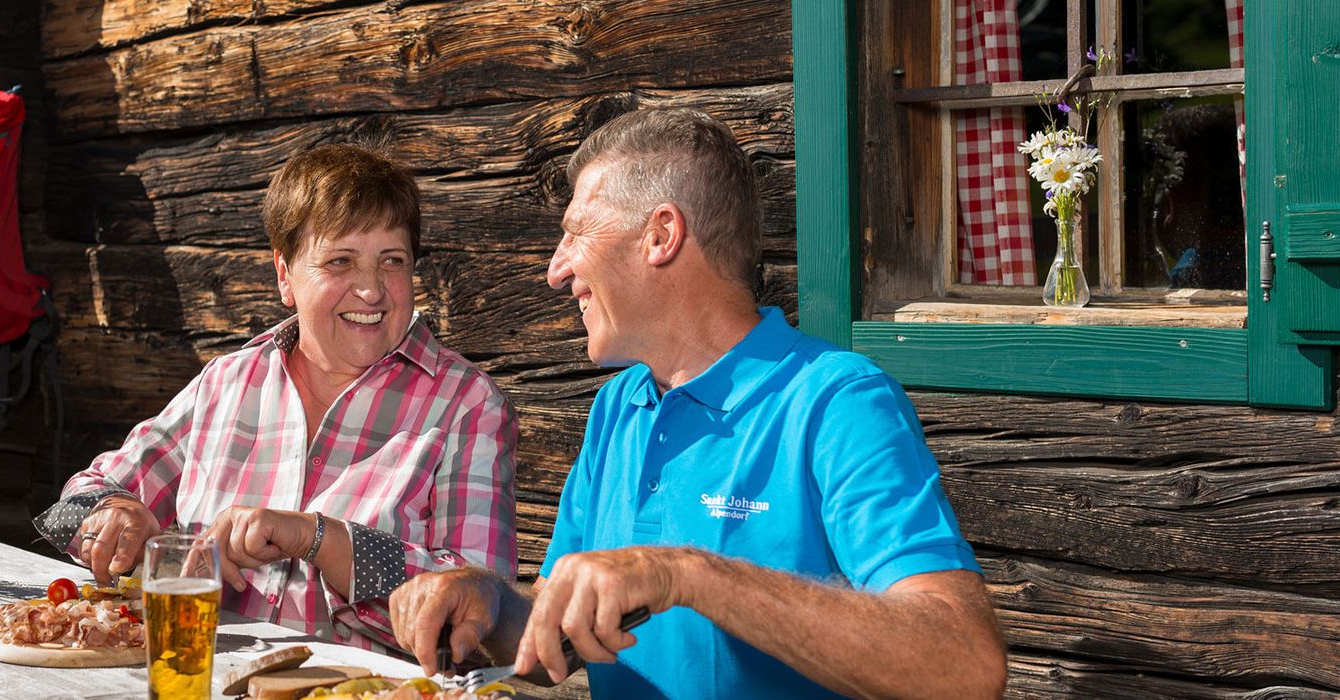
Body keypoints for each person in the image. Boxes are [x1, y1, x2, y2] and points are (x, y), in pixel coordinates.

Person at [388, 108, 1007, 698]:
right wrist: (491, 602)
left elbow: (965, 666)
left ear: (661, 235)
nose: (556, 270)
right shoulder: (618, 407)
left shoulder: (836, 401)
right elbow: (561, 639)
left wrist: (687, 574)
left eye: (575, 232)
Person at [34, 144, 518, 655]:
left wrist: (319, 538)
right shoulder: (229, 382)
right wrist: (113, 514)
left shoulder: (466, 403)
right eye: (340, 261)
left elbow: (483, 606)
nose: (372, 290)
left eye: (391, 261)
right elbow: (71, 506)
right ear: (285, 275)